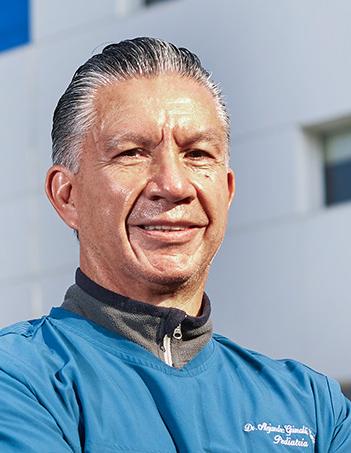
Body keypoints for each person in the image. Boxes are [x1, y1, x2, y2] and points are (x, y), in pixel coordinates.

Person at [0, 37, 350, 452]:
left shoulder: (313, 407)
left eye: (198, 154)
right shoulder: (19, 379)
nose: (174, 185)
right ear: (67, 196)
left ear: (227, 189)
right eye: (132, 153)